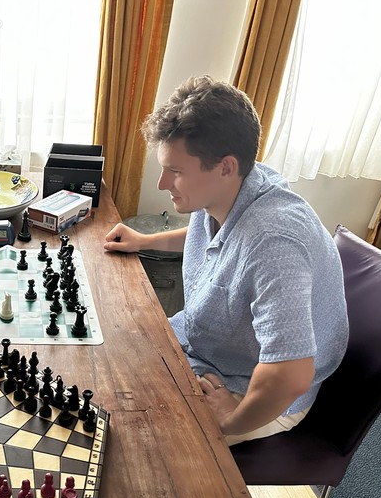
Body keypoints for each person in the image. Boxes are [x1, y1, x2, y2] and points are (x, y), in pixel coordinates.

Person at [104, 76, 349, 445]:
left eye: (176, 171)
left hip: (259, 392)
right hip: (209, 347)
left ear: (225, 167)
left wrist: (230, 420)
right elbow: (218, 240)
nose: (162, 184)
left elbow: (290, 375)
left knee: (139, 438)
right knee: (113, 359)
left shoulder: (275, 243)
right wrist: (144, 241)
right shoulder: (234, 186)